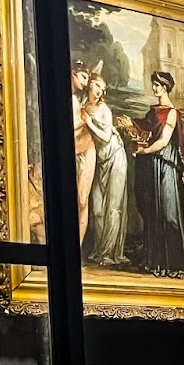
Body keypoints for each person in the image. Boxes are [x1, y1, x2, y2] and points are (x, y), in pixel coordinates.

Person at [132, 71, 184, 276]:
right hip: (152, 166)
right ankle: (156, 262)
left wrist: (144, 151)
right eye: (154, 84)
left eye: (157, 85)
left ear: (165, 87)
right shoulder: (153, 112)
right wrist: (129, 125)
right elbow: (145, 130)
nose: (154, 88)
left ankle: (174, 264)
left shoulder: (171, 112)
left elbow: (163, 141)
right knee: (154, 213)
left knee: (168, 214)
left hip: (166, 166)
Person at [83, 72, 128, 265]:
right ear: (89, 85)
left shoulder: (104, 110)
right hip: (99, 161)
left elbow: (106, 137)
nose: (100, 90)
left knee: (113, 207)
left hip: (115, 156)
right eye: (97, 85)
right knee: (97, 209)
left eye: (102, 87)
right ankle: (99, 249)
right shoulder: (83, 106)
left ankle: (109, 253)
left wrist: (89, 123)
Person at [71, 58, 95, 244]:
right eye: (83, 77)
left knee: (82, 199)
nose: (85, 82)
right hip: (75, 150)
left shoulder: (76, 100)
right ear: (72, 74)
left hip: (86, 150)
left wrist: (85, 119)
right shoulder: (72, 99)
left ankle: (77, 246)